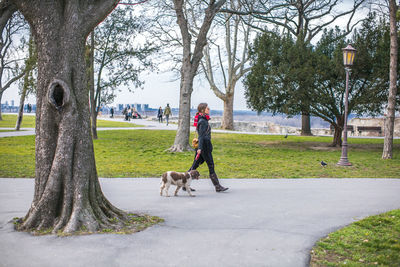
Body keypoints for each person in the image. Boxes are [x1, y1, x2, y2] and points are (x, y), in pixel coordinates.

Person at [187, 103, 228, 193]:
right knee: (211, 165)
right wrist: (200, 149)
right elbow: (201, 136)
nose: (209, 109)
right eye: (207, 108)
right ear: (203, 110)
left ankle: (184, 184)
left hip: (203, 147)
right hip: (204, 147)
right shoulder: (203, 121)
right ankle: (217, 186)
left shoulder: (203, 120)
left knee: (195, 165)